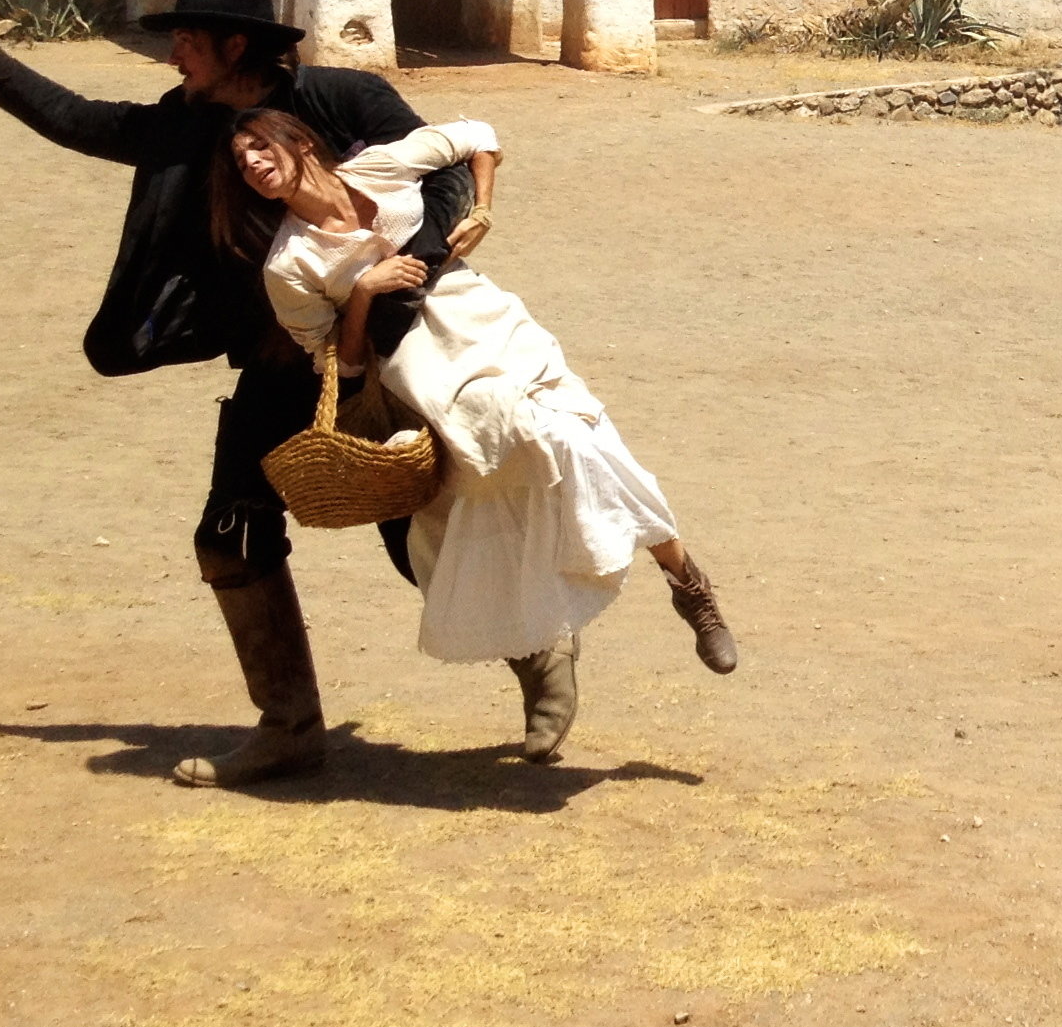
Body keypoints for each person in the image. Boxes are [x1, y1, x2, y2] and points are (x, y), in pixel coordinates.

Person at [0, 0, 472, 790]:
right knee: (230, 535)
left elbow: (448, 179)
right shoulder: (184, 127)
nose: (172, 53)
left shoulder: (346, 101)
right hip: (277, 369)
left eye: (185, 39)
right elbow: (77, 119)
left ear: (234, 45)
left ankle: (535, 651)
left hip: (383, 355)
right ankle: (289, 726)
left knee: (418, 530)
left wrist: (401, 277)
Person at [217, 109, 737, 763]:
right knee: (471, 522)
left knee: (584, 445)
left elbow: (479, 134)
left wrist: (483, 207)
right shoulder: (288, 263)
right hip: (420, 370)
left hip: (486, 322)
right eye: (242, 161)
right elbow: (340, 364)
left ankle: (690, 589)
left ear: (299, 143)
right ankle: (542, 659)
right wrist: (362, 294)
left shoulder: (381, 166)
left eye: (261, 147)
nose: (254, 164)